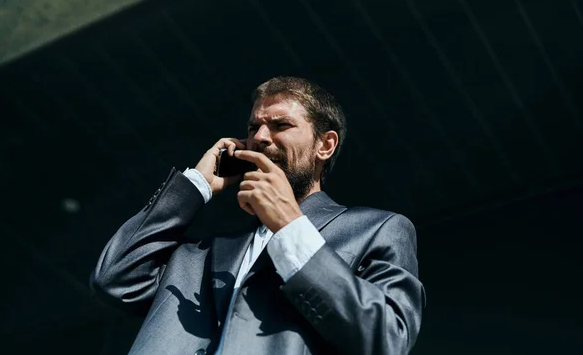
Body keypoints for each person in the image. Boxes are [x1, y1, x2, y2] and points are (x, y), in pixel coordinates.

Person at [90, 76, 425, 355]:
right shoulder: (197, 257)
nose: (261, 138)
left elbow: (387, 339)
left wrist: (290, 226)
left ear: (325, 145)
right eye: (254, 127)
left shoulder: (377, 229)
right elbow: (115, 279)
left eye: (281, 125)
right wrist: (196, 185)